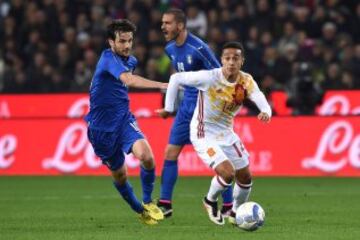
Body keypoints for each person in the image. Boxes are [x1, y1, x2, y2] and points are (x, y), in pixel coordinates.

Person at [159, 42, 271, 225]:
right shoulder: (209, 77)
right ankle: (209, 201)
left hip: (226, 133)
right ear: (221, 60)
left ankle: (235, 214)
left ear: (242, 61)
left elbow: (259, 96)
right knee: (227, 173)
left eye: (236, 58)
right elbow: (176, 79)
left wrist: (266, 111)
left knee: (245, 177)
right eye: (227, 58)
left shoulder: (246, 80)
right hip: (203, 133)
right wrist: (169, 108)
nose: (231, 62)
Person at [85, 19, 166, 225]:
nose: (127, 45)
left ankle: (148, 202)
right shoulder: (107, 58)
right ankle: (139, 209)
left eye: (130, 40)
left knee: (147, 157)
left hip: (123, 120)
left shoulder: (130, 61)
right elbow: (129, 80)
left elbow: (127, 79)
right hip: (101, 130)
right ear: (111, 42)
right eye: (122, 41)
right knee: (120, 175)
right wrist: (163, 84)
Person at [157, 8, 233, 218]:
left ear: (180, 26)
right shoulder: (170, 49)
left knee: (218, 158)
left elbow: (220, 76)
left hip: (204, 108)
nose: (163, 26)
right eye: (163, 22)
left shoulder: (199, 48)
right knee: (170, 153)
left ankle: (228, 206)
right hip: (185, 108)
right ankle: (165, 203)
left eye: (168, 23)